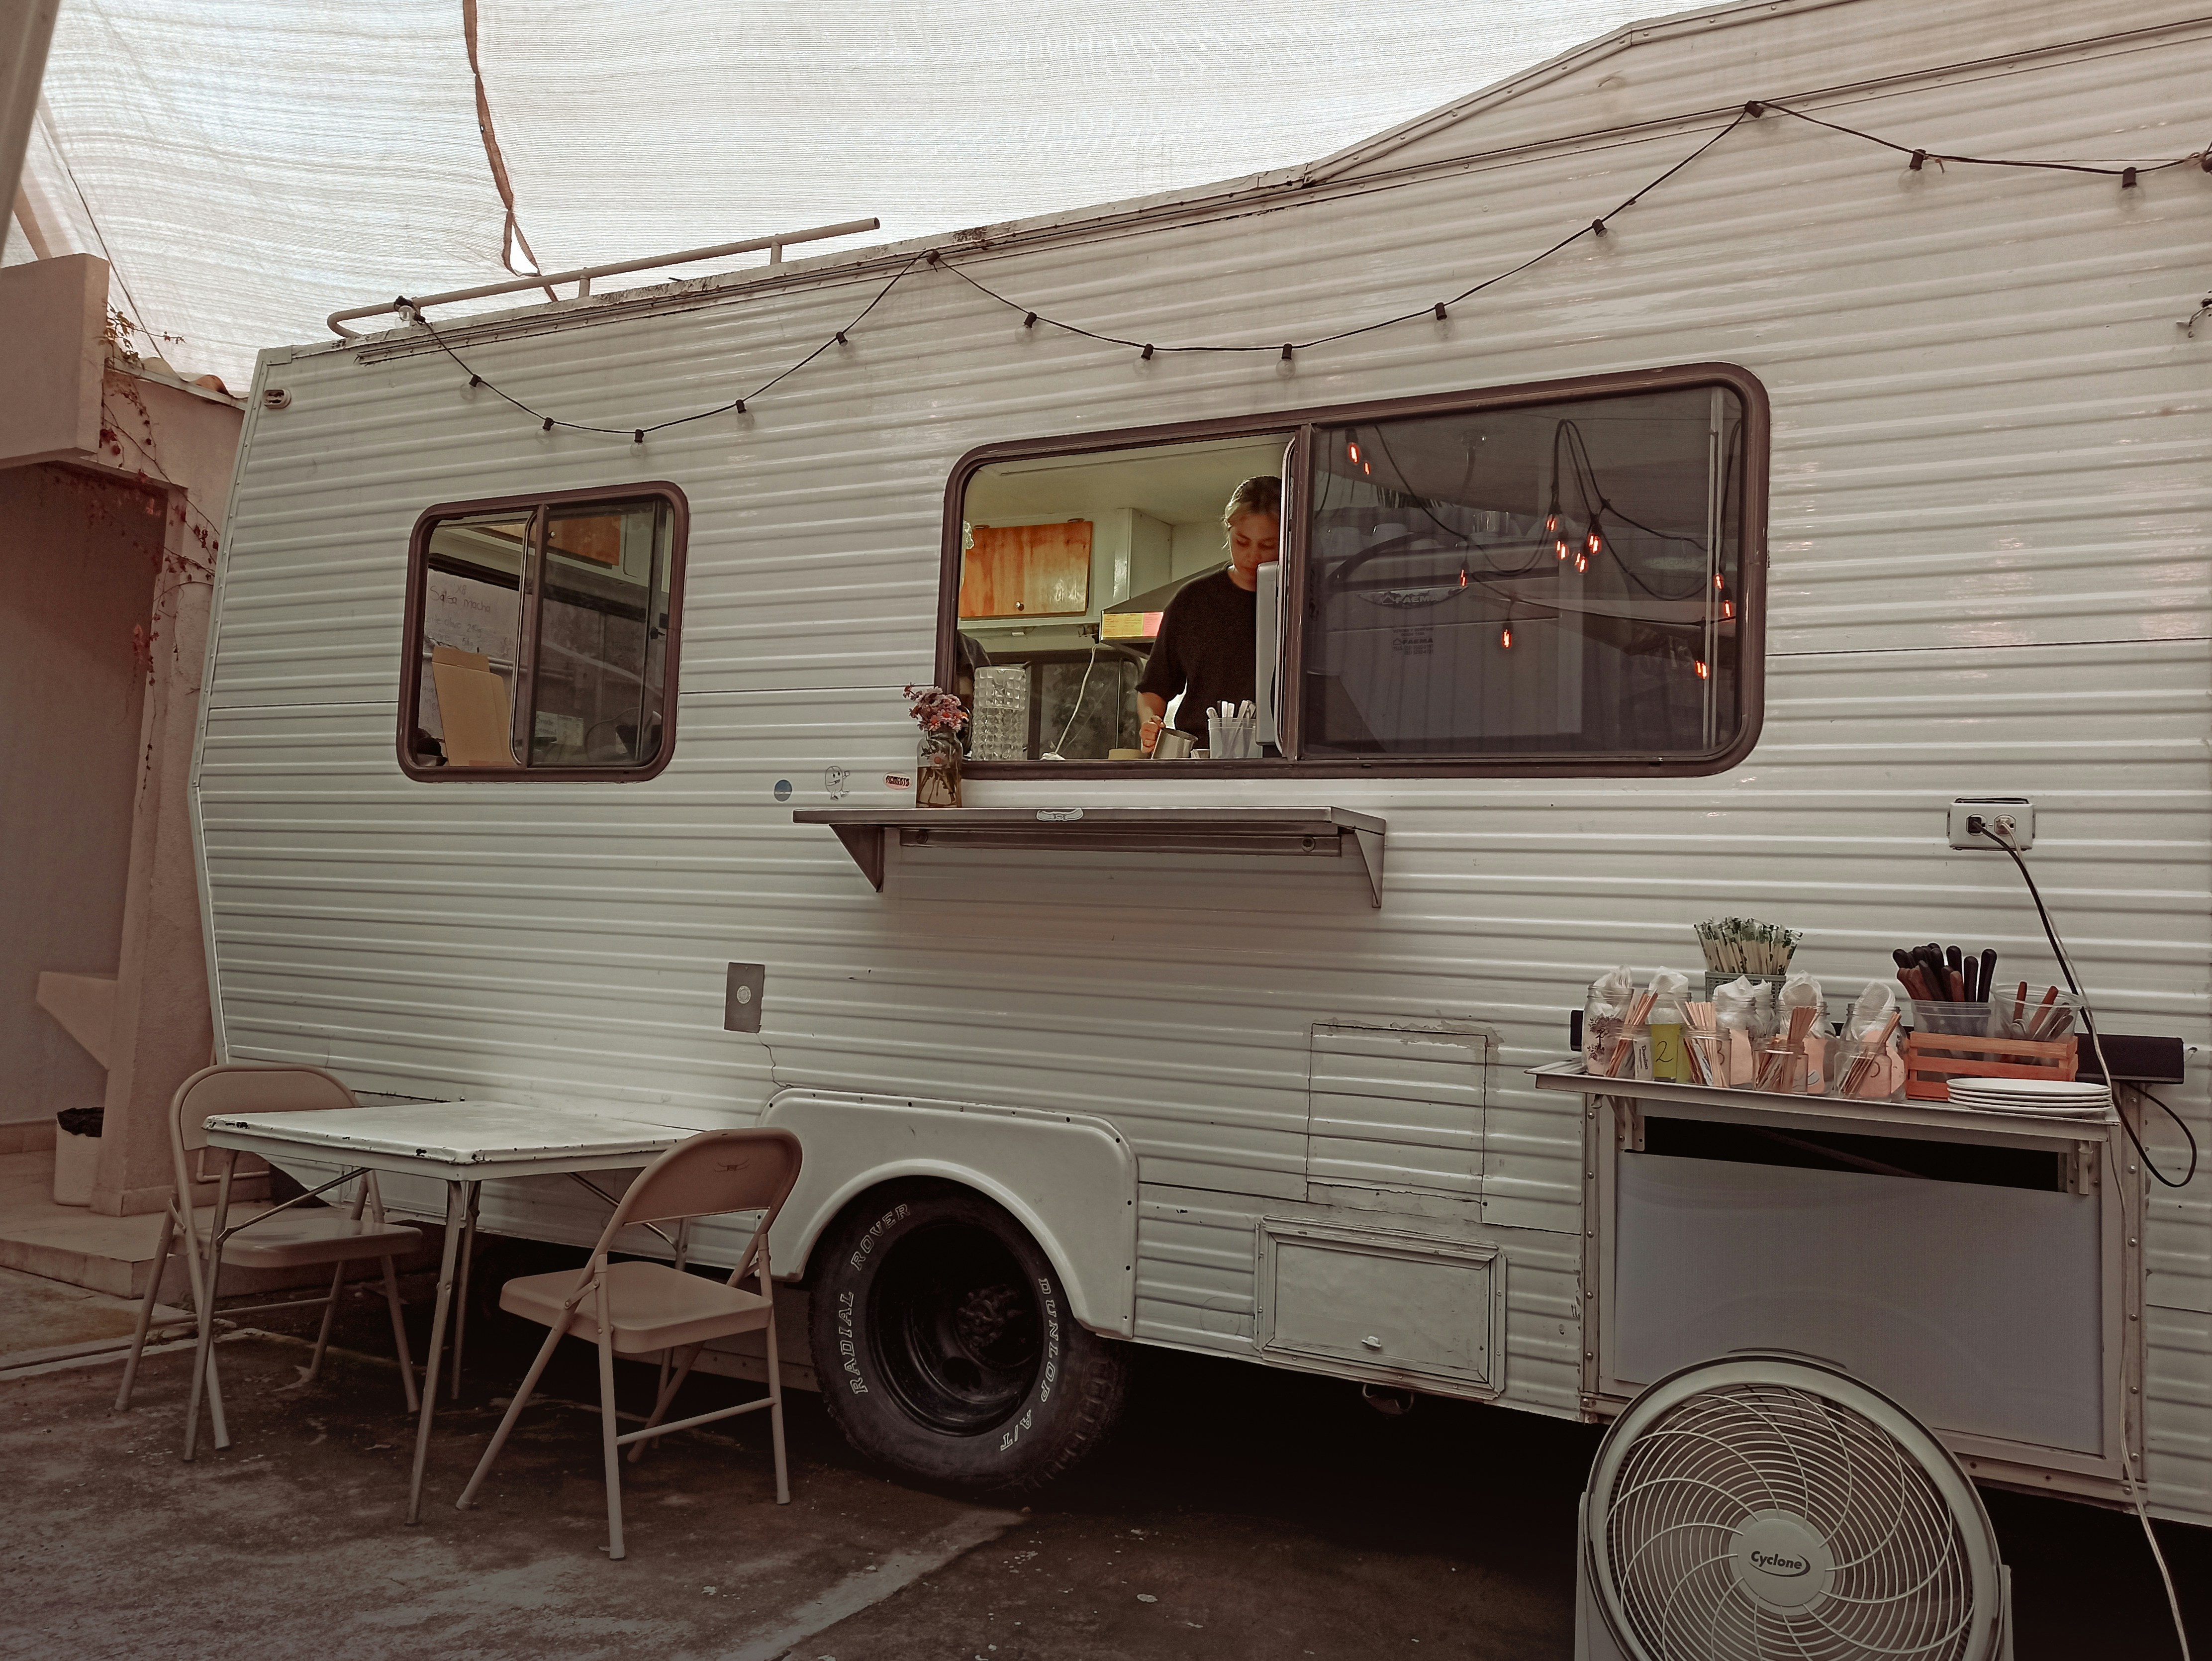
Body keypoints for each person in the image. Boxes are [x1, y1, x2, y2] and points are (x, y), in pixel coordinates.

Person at [1138, 475, 1279, 754]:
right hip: (1203, 756)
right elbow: (1154, 687)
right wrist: (1150, 723)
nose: (1253, 556)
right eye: (1242, 542)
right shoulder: (1194, 601)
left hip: (1283, 756)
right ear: (1228, 531)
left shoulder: (1303, 602)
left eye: (1267, 545)